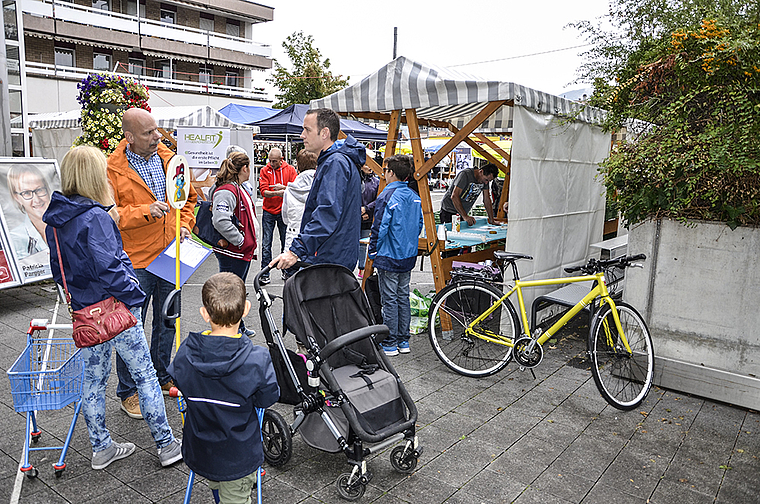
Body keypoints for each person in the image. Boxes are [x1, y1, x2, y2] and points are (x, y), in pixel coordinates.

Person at [43, 145, 182, 470]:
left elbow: (58, 268)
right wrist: (133, 296)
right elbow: (112, 268)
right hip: (117, 310)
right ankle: (166, 444)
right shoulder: (96, 217)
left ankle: (101, 447)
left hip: (86, 313)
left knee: (92, 382)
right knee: (145, 376)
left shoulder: (56, 221)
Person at [107, 107, 198, 419]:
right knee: (131, 327)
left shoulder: (169, 157)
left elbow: (188, 199)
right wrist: (147, 211)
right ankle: (128, 390)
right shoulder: (112, 169)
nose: (156, 136)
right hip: (136, 261)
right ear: (129, 137)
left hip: (172, 255)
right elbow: (110, 215)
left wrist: (185, 223)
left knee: (168, 319)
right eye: (148, 133)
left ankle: (162, 375)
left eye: (156, 130)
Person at [167, 272, 279, 504]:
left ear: (204, 313)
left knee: (219, 485)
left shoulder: (186, 351)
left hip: (200, 448)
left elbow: (178, 382)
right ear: (246, 309)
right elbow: (268, 397)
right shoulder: (256, 359)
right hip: (238, 453)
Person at [271, 108, 364, 272]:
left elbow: (327, 213)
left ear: (324, 133)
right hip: (333, 256)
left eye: (307, 129)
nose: (302, 135)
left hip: (330, 258)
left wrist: (296, 250)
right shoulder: (335, 160)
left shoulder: (336, 163)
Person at [367, 155, 423, 356]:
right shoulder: (414, 196)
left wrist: (372, 250)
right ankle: (403, 340)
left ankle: (390, 342)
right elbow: (418, 226)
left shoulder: (386, 196)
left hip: (389, 255)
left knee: (389, 299)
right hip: (408, 255)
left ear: (391, 172)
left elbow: (379, 227)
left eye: (386, 170)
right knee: (402, 297)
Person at [209, 151, 258, 337]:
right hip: (233, 252)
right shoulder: (227, 190)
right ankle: (228, 328)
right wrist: (240, 241)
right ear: (244, 168)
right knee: (231, 292)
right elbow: (220, 220)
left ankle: (237, 326)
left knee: (236, 291)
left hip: (239, 251)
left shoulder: (236, 188)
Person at [258, 147, 297, 284]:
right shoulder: (264, 170)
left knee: (285, 242)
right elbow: (263, 192)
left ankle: (286, 270)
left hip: (283, 211)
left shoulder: (290, 170)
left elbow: (295, 189)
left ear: (281, 160)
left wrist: (283, 190)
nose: (272, 163)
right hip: (269, 210)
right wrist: (278, 192)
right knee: (266, 243)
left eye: (274, 161)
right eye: (270, 161)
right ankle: (265, 272)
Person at [6, 164, 52, 259]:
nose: (36, 199)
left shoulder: (66, 227)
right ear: (17, 198)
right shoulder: (14, 239)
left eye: (39, 190)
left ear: (47, 189)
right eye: (26, 193)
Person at [281, 149, 317, 253]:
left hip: (293, 239)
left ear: (298, 167)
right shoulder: (322, 187)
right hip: (314, 242)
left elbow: (285, 218)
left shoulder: (289, 189)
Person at [358, 163, 380, 279]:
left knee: (364, 244)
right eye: (367, 165)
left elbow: (378, 199)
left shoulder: (376, 182)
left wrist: (366, 209)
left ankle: (362, 268)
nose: (369, 167)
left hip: (369, 217)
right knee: (353, 243)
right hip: (356, 218)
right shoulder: (356, 179)